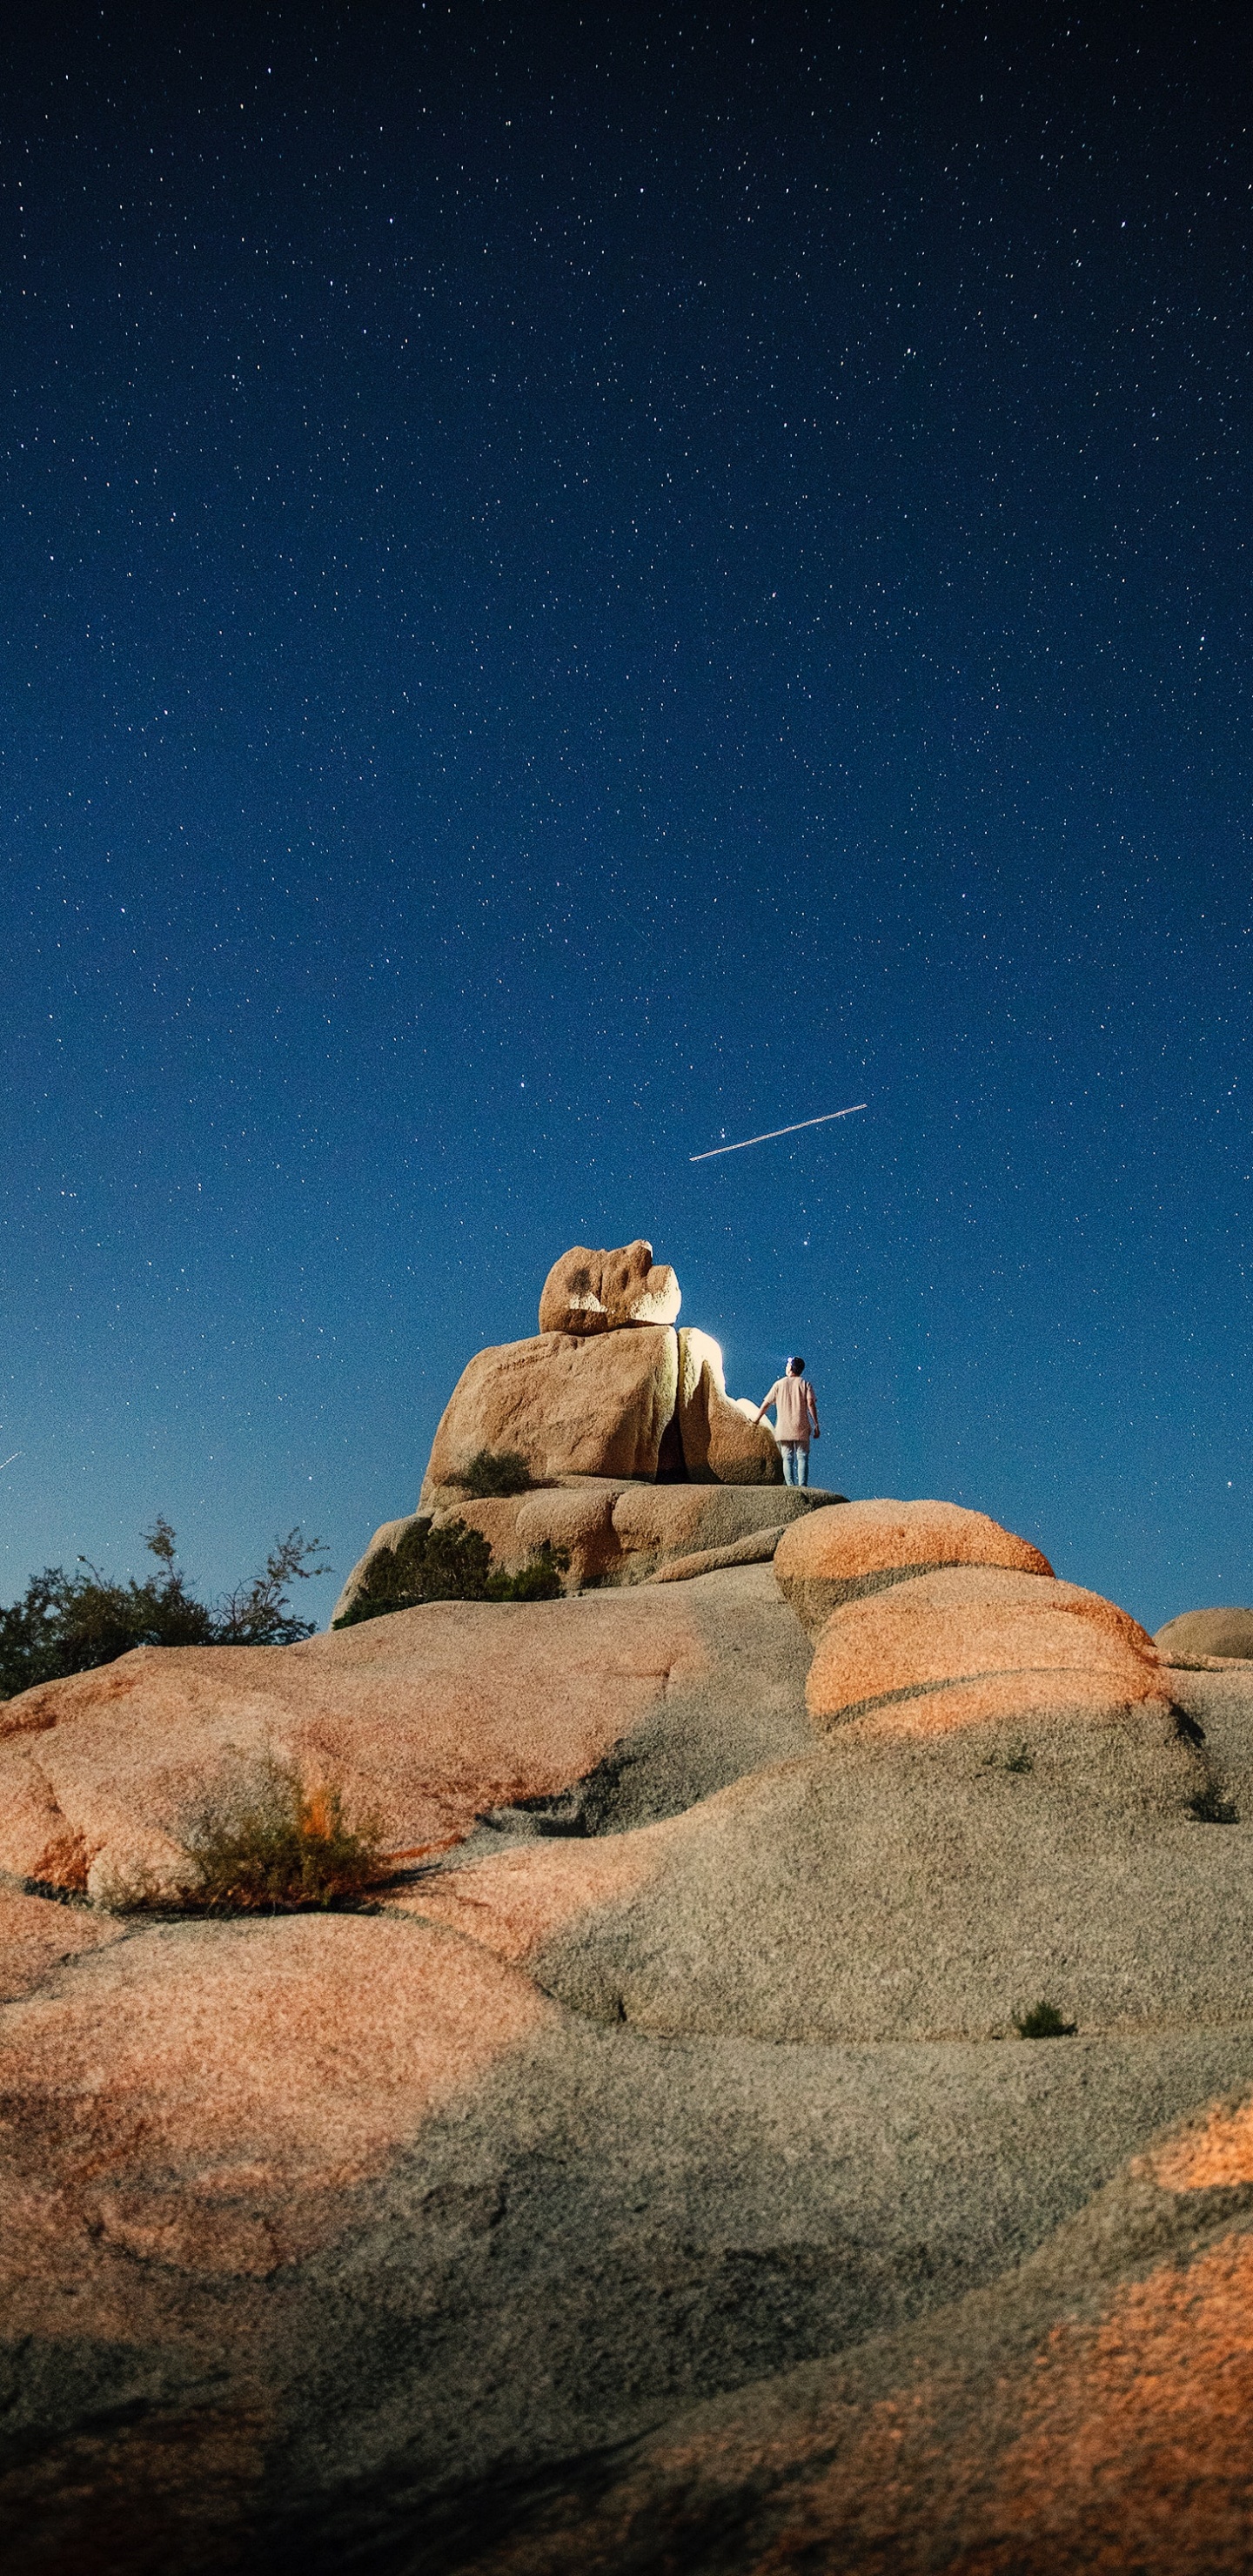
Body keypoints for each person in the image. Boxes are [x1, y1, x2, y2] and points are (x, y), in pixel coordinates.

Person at [754, 1356, 820, 1486]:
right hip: (801, 1426)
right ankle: (803, 1486)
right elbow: (811, 1403)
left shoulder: (779, 1384)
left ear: (790, 1368)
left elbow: (766, 1404)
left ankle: (790, 1486)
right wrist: (816, 1424)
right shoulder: (805, 1384)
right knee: (802, 1457)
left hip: (783, 1428)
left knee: (787, 1458)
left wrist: (756, 1420)